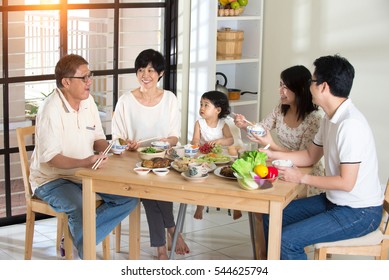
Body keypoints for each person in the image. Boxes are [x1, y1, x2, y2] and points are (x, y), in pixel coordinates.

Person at [259, 54, 383, 260]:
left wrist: (301, 178)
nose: (309, 86)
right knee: (271, 214)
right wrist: (271, 153)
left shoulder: (350, 125)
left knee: (288, 240)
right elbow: (309, 156)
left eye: (312, 81)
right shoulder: (330, 117)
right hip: (335, 201)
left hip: (360, 212)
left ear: (323, 87)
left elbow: (346, 182)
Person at [29, 54, 138, 259]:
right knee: (80, 206)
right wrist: (86, 162)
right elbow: (52, 158)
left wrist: (115, 148)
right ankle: (85, 254)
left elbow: (98, 139)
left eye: (90, 76)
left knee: (129, 197)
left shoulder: (88, 103)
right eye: (84, 77)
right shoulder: (50, 109)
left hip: (84, 174)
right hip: (52, 180)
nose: (90, 82)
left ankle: (77, 239)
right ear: (66, 82)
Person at [111, 49, 189, 260]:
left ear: (161, 73)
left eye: (151, 70)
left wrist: (166, 142)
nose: (145, 75)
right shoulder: (126, 100)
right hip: (133, 162)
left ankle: (162, 244)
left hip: (163, 158)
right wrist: (127, 144)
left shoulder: (169, 99)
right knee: (150, 191)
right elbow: (117, 137)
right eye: (141, 70)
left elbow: (174, 136)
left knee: (155, 189)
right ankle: (169, 235)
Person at [234, 65, 324, 196]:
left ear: (300, 89)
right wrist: (243, 125)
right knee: (257, 191)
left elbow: (304, 158)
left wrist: (272, 145)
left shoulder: (314, 119)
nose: (280, 90)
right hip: (283, 167)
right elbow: (261, 129)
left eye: (285, 87)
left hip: (305, 175)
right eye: (280, 85)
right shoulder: (280, 109)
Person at [191, 90, 234, 220]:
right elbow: (195, 140)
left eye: (206, 105)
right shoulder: (199, 123)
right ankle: (200, 206)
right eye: (201, 104)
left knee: (232, 176)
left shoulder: (223, 124)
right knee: (202, 179)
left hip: (221, 157)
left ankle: (236, 207)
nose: (201, 108)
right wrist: (197, 145)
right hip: (205, 156)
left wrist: (220, 141)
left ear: (218, 110)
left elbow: (230, 140)